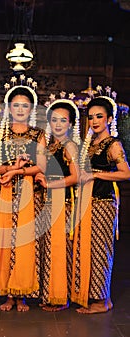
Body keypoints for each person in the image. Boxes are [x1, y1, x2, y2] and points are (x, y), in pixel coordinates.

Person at [0, 78, 46, 312]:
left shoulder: (38, 134)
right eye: (16, 105)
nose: (20, 110)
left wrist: (17, 171)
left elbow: (41, 165)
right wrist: (11, 172)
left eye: (25, 105)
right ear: (9, 108)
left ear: (31, 109)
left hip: (29, 193)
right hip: (6, 191)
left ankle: (22, 294)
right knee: (5, 242)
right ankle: (8, 294)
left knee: (24, 242)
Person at [71, 95, 130, 314]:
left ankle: (103, 301)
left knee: (101, 250)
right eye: (92, 116)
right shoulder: (91, 144)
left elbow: (125, 173)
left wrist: (96, 174)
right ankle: (91, 295)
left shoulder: (113, 144)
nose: (95, 121)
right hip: (88, 202)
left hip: (104, 202)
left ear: (109, 118)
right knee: (88, 249)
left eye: (100, 116)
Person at [35, 98, 80, 312]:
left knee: (60, 250)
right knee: (50, 249)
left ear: (70, 124)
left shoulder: (69, 146)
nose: (58, 124)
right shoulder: (53, 145)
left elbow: (75, 177)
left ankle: (60, 297)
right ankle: (51, 294)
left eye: (63, 120)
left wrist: (50, 183)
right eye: (54, 120)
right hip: (50, 203)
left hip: (63, 203)